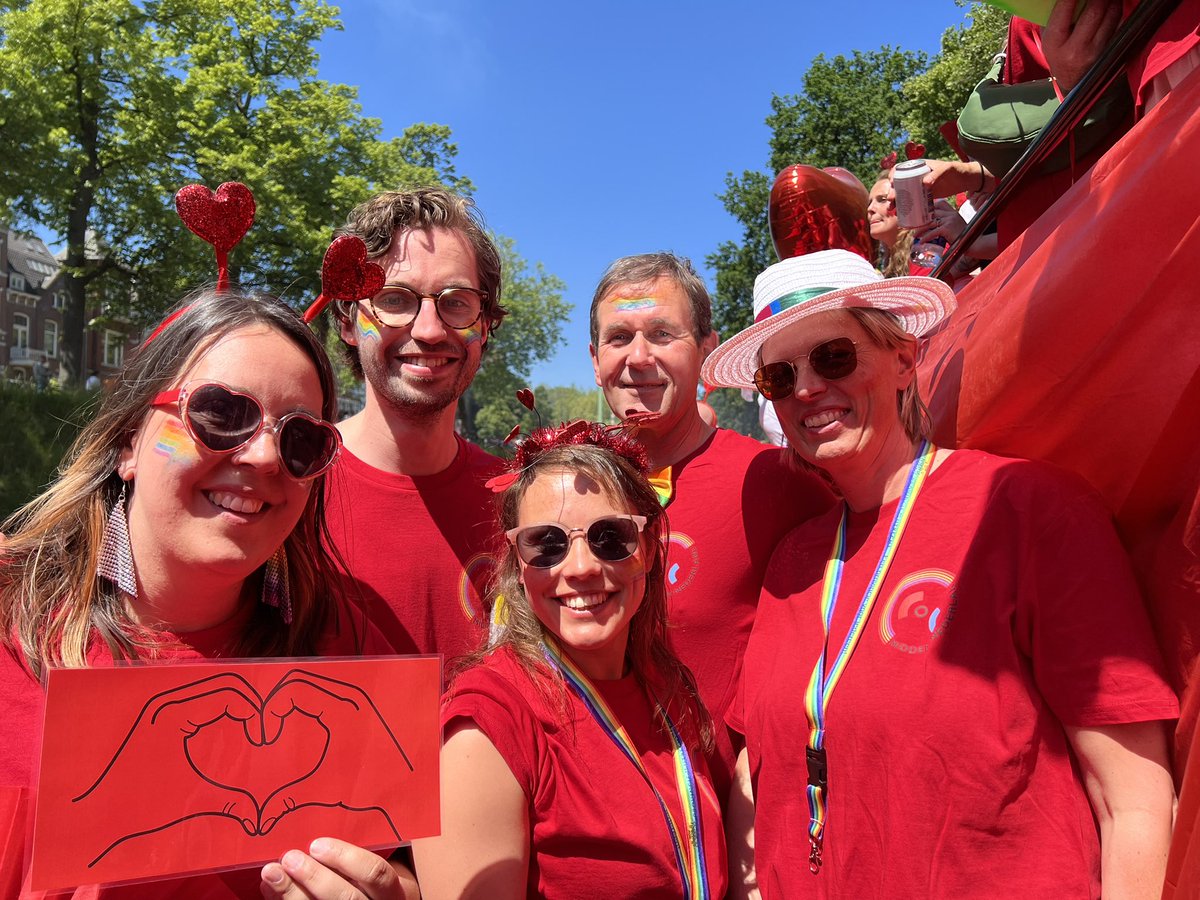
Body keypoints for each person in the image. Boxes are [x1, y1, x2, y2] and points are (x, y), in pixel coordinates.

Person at [702, 249, 1178, 899]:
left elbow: (1134, 801)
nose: (806, 388)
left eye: (833, 357)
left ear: (903, 359)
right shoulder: (792, 562)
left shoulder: (1026, 510)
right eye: (779, 377)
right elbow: (758, 771)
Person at [0, 289, 414, 898]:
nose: (266, 456)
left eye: (301, 440)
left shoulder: (350, 654)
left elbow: (405, 864)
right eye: (220, 414)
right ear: (130, 442)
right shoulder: (9, 614)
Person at [413, 423, 727, 898]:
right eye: (546, 543)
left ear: (647, 551)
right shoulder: (486, 724)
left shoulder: (667, 688)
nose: (580, 568)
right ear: (518, 565)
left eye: (611, 537)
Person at [588, 253, 832, 744]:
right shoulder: (567, 489)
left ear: (707, 350)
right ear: (595, 361)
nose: (639, 357)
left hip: (731, 788)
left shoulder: (777, 483)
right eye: (619, 337)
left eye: (662, 334)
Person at [324, 187, 507, 661]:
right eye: (394, 299)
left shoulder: (519, 503)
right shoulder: (286, 486)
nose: (428, 330)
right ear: (347, 321)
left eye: (457, 302)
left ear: (486, 324)